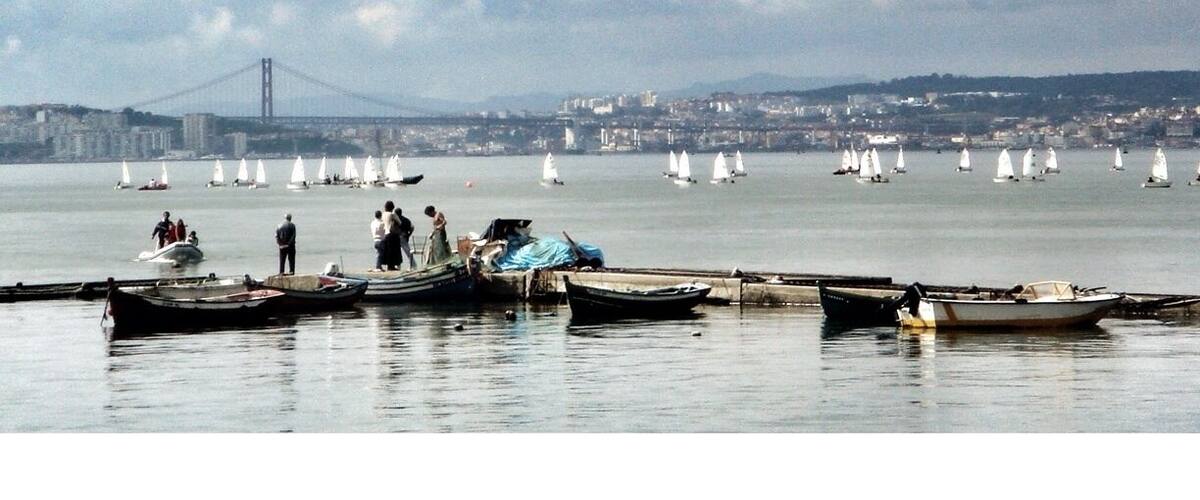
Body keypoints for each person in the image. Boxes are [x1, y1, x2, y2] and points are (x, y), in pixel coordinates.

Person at [382, 201, 403, 270]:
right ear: (392, 207)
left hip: (386, 233)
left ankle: (389, 265)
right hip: (392, 234)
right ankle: (392, 266)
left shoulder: (383, 214)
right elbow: (400, 222)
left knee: (388, 250)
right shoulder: (392, 214)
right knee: (394, 250)